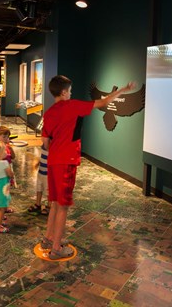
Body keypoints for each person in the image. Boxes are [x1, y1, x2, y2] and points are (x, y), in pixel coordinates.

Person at [41, 75, 136, 259]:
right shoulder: (73, 106)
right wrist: (124, 88)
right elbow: (105, 102)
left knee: (54, 203)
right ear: (63, 92)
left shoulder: (49, 112)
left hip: (53, 161)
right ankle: (56, 249)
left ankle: (49, 238)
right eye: (70, 90)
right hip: (66, 162)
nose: (71, 93)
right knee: (62, 207)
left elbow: (45, 142)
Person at [0, 126, 17, 213]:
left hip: (8, 173)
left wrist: (11, 149)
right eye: (4, 137)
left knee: (6, 191)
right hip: (1, 175)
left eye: (7, 137)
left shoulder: (8, 147)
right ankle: (0, 209)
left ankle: (5, 207)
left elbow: (13, 157)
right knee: (1, 192)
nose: (6, 139)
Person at [28, 145, 49, 216]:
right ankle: (38, 204)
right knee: (39, 188)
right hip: (41, 172)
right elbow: (42, 156)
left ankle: (49, 206)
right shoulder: (44, 146)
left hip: (48, 174)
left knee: (48, 191)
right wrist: (38, 162)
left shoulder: (52, 148)